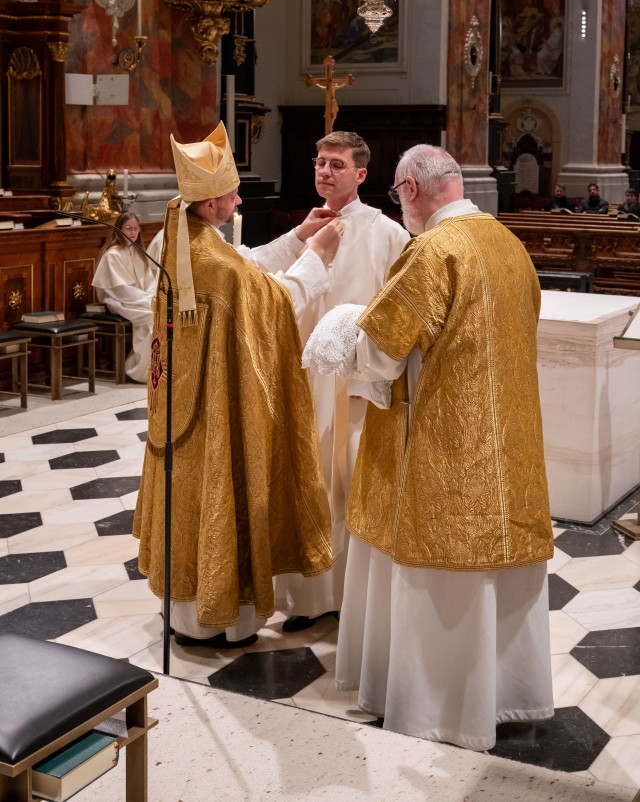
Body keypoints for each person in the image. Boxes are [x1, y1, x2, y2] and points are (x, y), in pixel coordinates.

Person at [303, 144, 554, 751]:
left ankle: (436, 706)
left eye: (398, 194)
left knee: (433, 565)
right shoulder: (509, 245)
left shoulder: (435, 249)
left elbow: (383, 350)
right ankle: (505, 692)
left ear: (410, 189)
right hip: (510, 448)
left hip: (441, 450)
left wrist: (341, 328)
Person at [133, 122, 343, 650]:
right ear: (209, 205)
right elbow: (272, 301)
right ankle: (220, 619)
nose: (238, 198)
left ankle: (184, 611)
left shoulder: (180, 240)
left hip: (181, 405)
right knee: (221, 494)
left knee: (190, 497)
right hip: (216, 409)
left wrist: (295, 239)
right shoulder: (214, 263)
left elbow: (245, 268)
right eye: (230, 194)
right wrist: (316, 256)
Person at [270, 131, 410, 632]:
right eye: (319, 162)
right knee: (309, 483)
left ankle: (356, 598)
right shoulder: (305, 229)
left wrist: (372, 372)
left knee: (351, 486)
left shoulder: (387, 232)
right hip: (305, 380)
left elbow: (398, 309)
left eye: (336, 164)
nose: (325, 172)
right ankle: (309, 599)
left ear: (361, 174)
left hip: (357, 384)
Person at [92, 211, 156, 383]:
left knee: (160, 310)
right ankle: (139, 370)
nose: (133, 232)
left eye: (136, 228)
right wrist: (147, 300)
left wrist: (150, 296)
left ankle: (157, 366)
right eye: (128, 228)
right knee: (152, 315)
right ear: (119, 230)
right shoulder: (112, 254)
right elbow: (120, 289)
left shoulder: (138, 252)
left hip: (139, 299)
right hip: (118, 301)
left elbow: (150, 280)